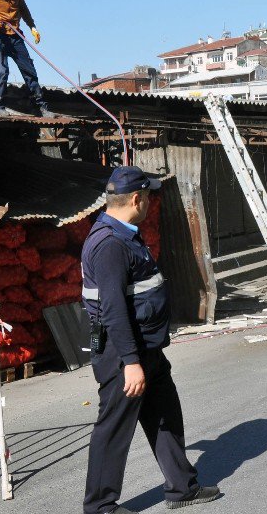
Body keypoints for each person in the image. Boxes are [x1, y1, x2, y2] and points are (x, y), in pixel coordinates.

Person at [81, 166, 219, 513]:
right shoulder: (110, 244)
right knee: (113, 429)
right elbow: (112, 309)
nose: (150, 204)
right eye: (149, 197)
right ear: (137, 199)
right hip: (125, 353)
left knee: (165, 415)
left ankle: (182, 487)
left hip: (147, 348)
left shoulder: (125, 233)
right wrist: (130, 363)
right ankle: (100, 507)